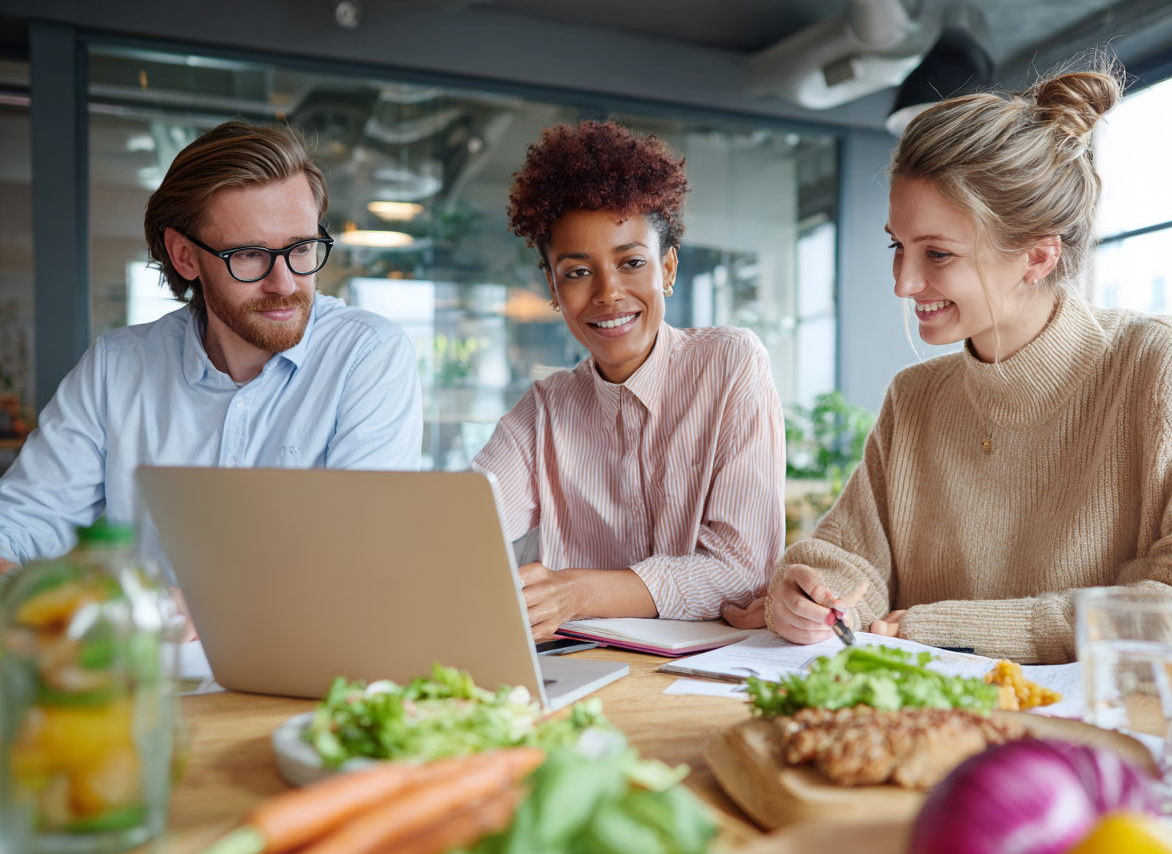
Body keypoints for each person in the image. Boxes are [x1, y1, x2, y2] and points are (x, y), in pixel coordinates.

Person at [766, 64, 1172, 679]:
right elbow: (853, 561)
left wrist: (970, 629)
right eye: (896, 246)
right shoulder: (914, 398)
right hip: (934, 729)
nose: (904, 282)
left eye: (938, 253)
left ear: (1038, 255)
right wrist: (818, 593)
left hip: (1110, 744)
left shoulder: (1164, 363)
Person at [0, 122, 423, 570]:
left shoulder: (367, 356)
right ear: (184, 256)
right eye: (249, 254)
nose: (285, 284)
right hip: (143, 642)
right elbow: (22, 524)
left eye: (301, 248)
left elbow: (359, 562)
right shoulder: (115, 368)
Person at [472, 121, 785, 640]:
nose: (608, 293)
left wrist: (577, 592)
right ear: (552, 286)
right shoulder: (544, 409)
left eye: (631, 262)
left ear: (667, 267)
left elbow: (742, 570)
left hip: (708, 672)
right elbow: (463, 530)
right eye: (577, 272)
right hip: (581, 669)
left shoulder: (731, 364)